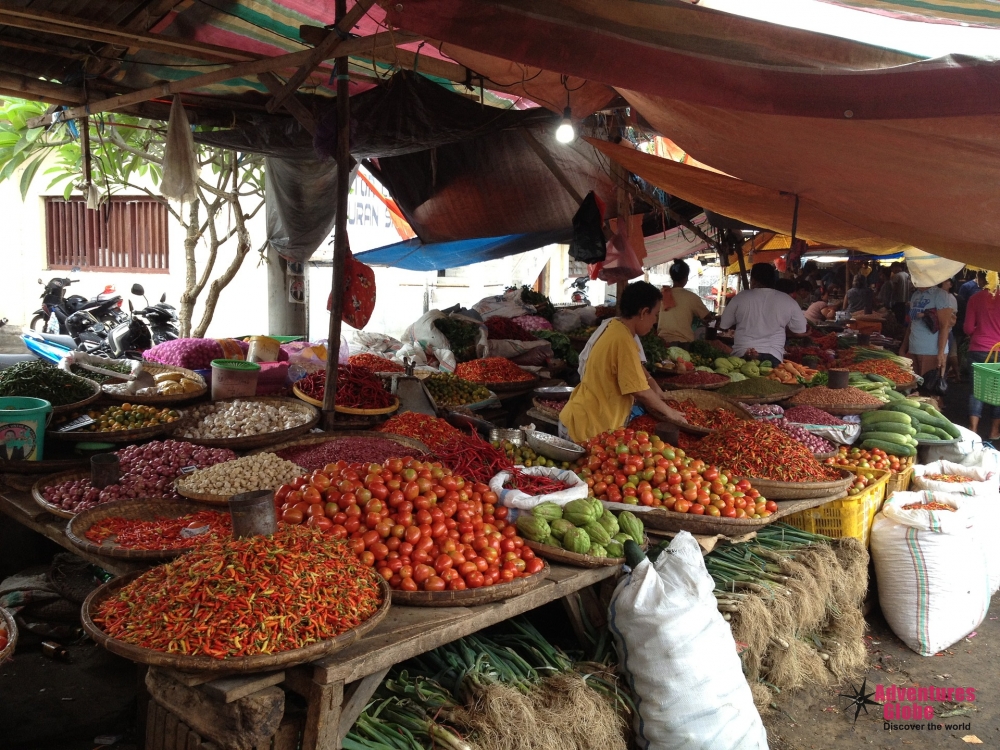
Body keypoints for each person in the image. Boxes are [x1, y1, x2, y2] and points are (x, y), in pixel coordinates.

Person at [560, 281, 686, 443]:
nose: (655, 321)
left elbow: (636, 368)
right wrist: (670, 413)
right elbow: (640, 391)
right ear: (643, 312)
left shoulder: (616, 326)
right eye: (655, 314)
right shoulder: (622, 340)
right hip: (587, 427)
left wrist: (656, 388)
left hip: (582, 418)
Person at [718, 263, 807, 365]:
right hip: (773, 355)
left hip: (742, 354)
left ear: (753, 280)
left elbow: (724, 324)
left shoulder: (740, 297)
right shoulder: (787, 300)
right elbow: (800, 329)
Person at [963, 283, 1000, 438]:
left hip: (978, 349)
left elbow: (968, 328)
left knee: (977, 390)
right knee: (997, 391)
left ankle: (973, 430)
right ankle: (994, 432)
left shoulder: (975, 298)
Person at [900, 281, 957, 379]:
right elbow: (912, 323)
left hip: (931, 351)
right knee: (915, 388)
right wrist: (903, 348)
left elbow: (945, 325)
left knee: (929, 389)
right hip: (914, 348)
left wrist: (941, 353)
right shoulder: (915, 295)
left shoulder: (940, 294)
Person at [656, 259, 715, 345]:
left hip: (662, 342)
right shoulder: (692, 297)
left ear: (672, 277)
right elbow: (708, 318)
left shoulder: (662, 294)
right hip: (683, 343)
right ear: (686, 278)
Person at [940, 278, 961, 380]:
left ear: (951, 285)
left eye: (946, 281)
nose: (943, 283)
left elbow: (952, 317)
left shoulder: (950, 298)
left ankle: (942, 381)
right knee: (948, 354)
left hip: (947, 331)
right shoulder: (940, 296)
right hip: (946, 331)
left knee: (946, 355)